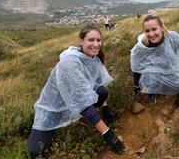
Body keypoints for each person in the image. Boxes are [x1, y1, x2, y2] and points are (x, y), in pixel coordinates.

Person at [27, 24, 125, 158]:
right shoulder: (70, 63)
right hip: (55, 108)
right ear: (81, 41)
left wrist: (105, 106)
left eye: (98, 40)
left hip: (77, 100)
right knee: (36, 151)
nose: (96, 44)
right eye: (91, 40)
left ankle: (84, 119)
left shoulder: (93, 58)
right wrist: (108, 133)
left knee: (102, 92)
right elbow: (82, 103)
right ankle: (48, 128)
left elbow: (97, 84)